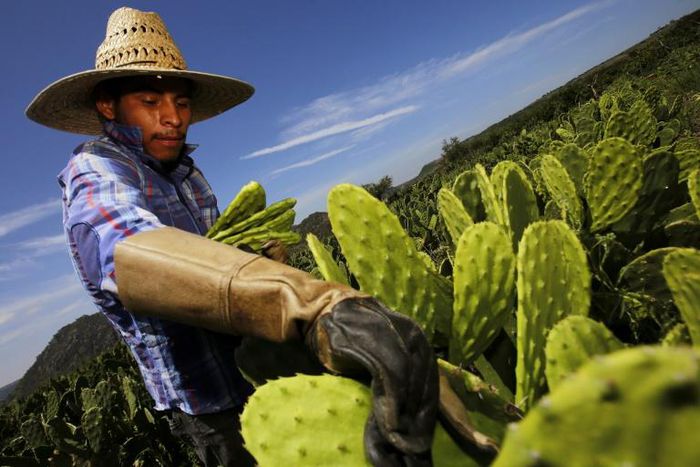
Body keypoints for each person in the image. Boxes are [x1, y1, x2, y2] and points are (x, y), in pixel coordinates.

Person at [26, 7, 438, 467]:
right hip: (208, 401)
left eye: (181, 104)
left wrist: (259, 261)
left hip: (258, 370)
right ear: (109, 106)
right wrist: (309, 306)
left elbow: (215, 260)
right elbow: (124, 251)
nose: (172, 118)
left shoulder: (188, 175)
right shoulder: (96, 169)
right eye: (150, 101)